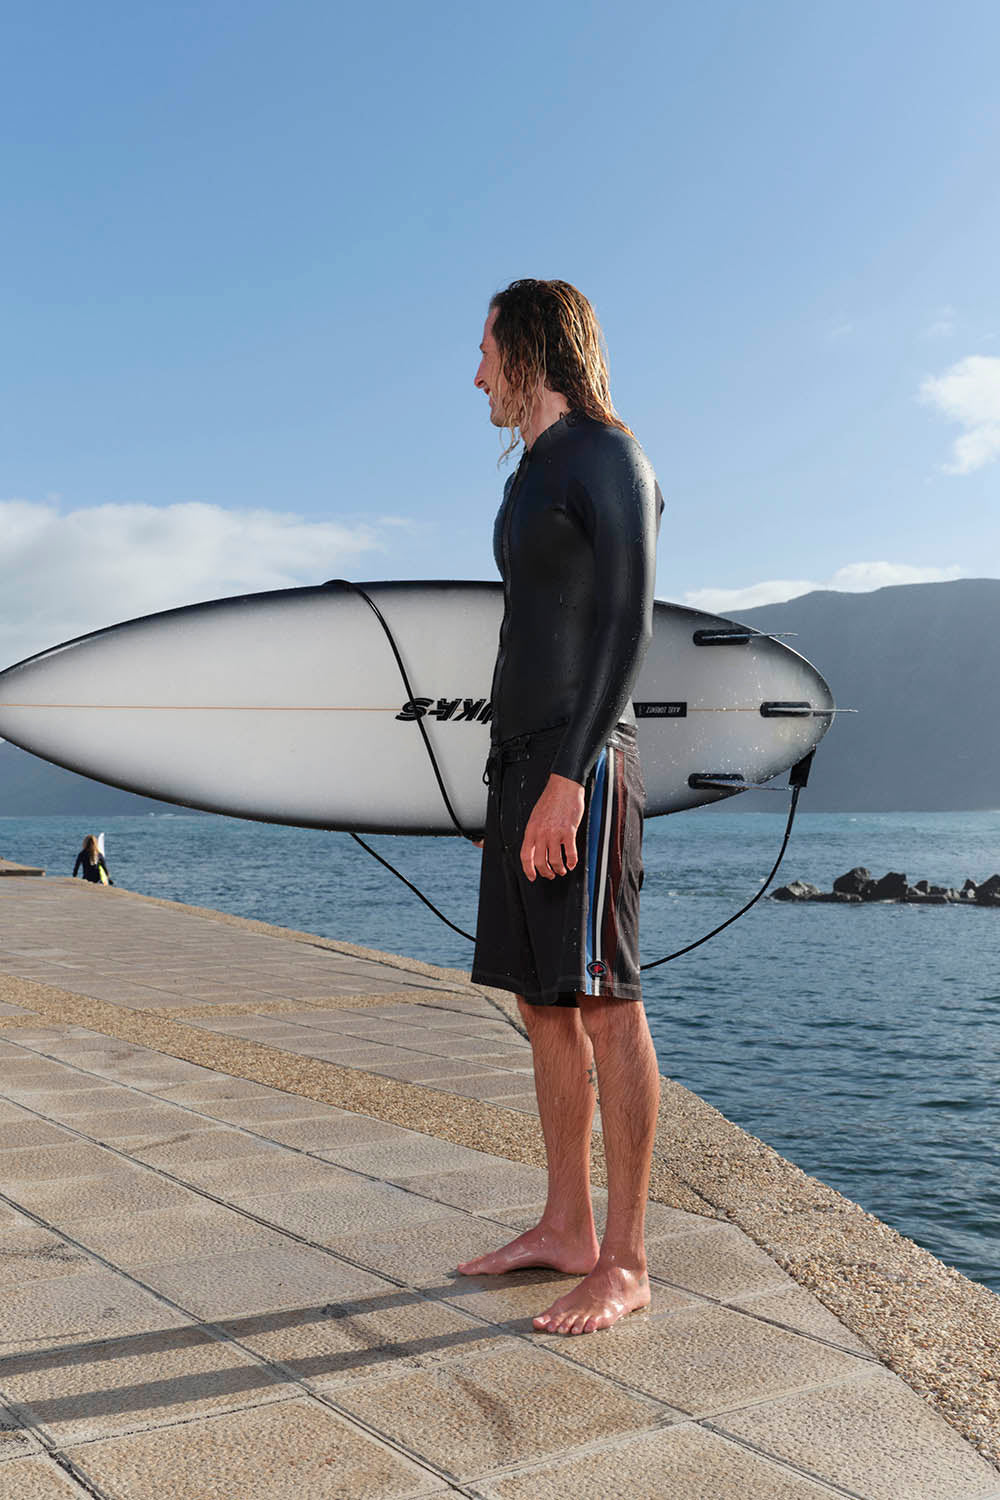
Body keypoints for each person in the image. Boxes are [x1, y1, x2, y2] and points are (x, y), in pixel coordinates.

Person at [459, 278, 663, 1335]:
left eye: (486, 350)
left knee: (603, 1001)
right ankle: (564, 1228)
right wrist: (516, 777)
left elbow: (626, 628)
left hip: (584, 767)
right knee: (541, 1004)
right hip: (521, 760)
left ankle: (625, 1261)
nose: (477, 373)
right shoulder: (527, 478)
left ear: (530, 344)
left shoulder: (604, 457)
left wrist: (566, 779)